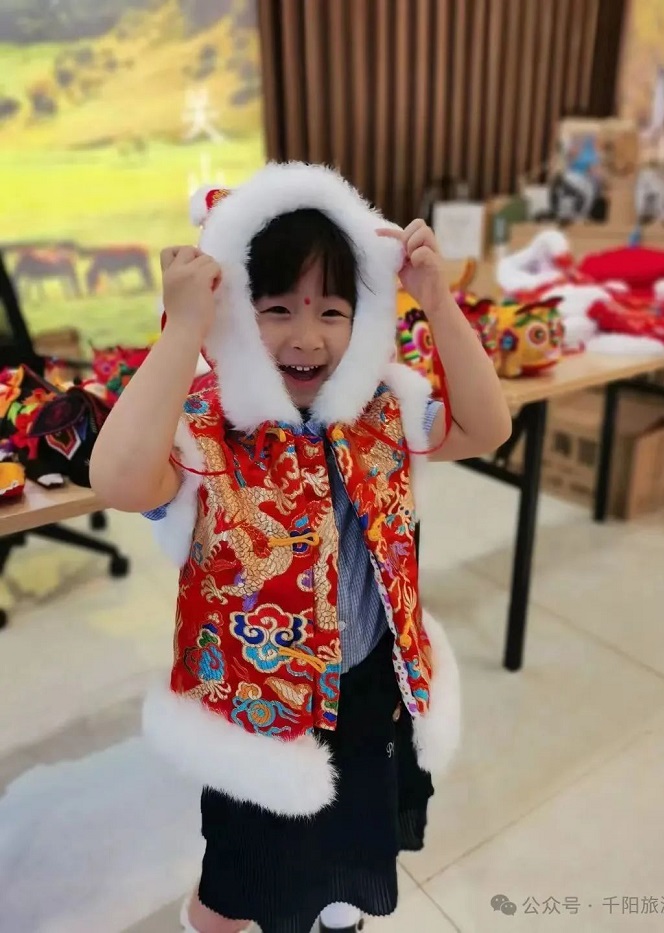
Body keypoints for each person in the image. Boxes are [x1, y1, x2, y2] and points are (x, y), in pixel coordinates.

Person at [90, 162, 511, 933]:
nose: (307, 336)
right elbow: (117, 478)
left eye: (332, 311)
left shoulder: (382, 410)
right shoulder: (205, 433)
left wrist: (438, 301)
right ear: (233, 316)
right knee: (242, 878)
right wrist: (183, 328)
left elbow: (487, 427)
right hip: (257, 717)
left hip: (369, 691)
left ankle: (340, 915)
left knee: (351, 860)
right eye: (277, 308)